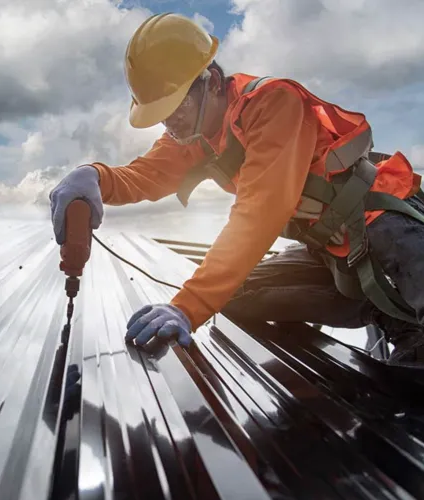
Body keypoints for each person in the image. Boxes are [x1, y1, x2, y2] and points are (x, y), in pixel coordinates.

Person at [49, 13, 424, 366]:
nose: (169, 121)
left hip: (387, 226)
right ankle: (384, 306)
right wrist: (94, 176)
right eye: (161, 113)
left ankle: (408, 322)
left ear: (211, 82)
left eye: (176, 106)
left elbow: (259, 214)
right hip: (331, 246)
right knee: (239, 297)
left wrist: (188, 306)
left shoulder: (274, 103)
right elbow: (143, 175)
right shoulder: (195, 133)